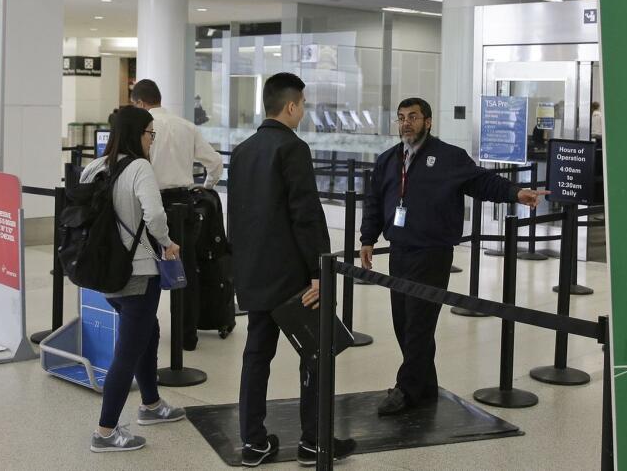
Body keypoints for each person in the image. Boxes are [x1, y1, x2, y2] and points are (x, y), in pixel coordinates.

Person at [360, 97, 548, 416]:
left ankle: (406, 389)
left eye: (414, 117)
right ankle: (426, 385)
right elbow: (375, 201)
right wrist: (368, 238)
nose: (406, 123)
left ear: (428, 122)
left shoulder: (448, 157)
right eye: (401, 118)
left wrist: (517, 192)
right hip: (399, 252)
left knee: (419, 324)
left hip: (432, 253)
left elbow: (482, 182)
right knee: (404, 324)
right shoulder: (388, 160)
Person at [227, 73, 357, 467]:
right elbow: (306, 213)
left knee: (256, 355)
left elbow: (238, 215)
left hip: (253, 270)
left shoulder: (243, 150)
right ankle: (314, 443)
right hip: (291, 276)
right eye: (302, 105)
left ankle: (252, 443)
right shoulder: (292, 148)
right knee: (316, 353)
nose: (303, 111)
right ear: (291, 106)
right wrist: (320, 269)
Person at [79, 106, 186, 453]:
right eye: (149, 134)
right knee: (127, 352)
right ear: (136, 134)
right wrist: (168, 244)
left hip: (104, 272)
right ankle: (105, 431)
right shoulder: (139, 167)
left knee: (147, 332)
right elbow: (154, 214)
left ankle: (152, 405)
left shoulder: (95, 167)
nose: (151, 141)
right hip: (138, 272)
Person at [131, 79, 225, 350]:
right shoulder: (187, 126)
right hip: (184, 204)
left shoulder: (142, 128)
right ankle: (187, 337)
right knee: (186, 272)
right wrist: (205, 188)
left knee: (145, 269)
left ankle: (144, 335)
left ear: (140, 102)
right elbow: (215, 163)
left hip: (149, 202)